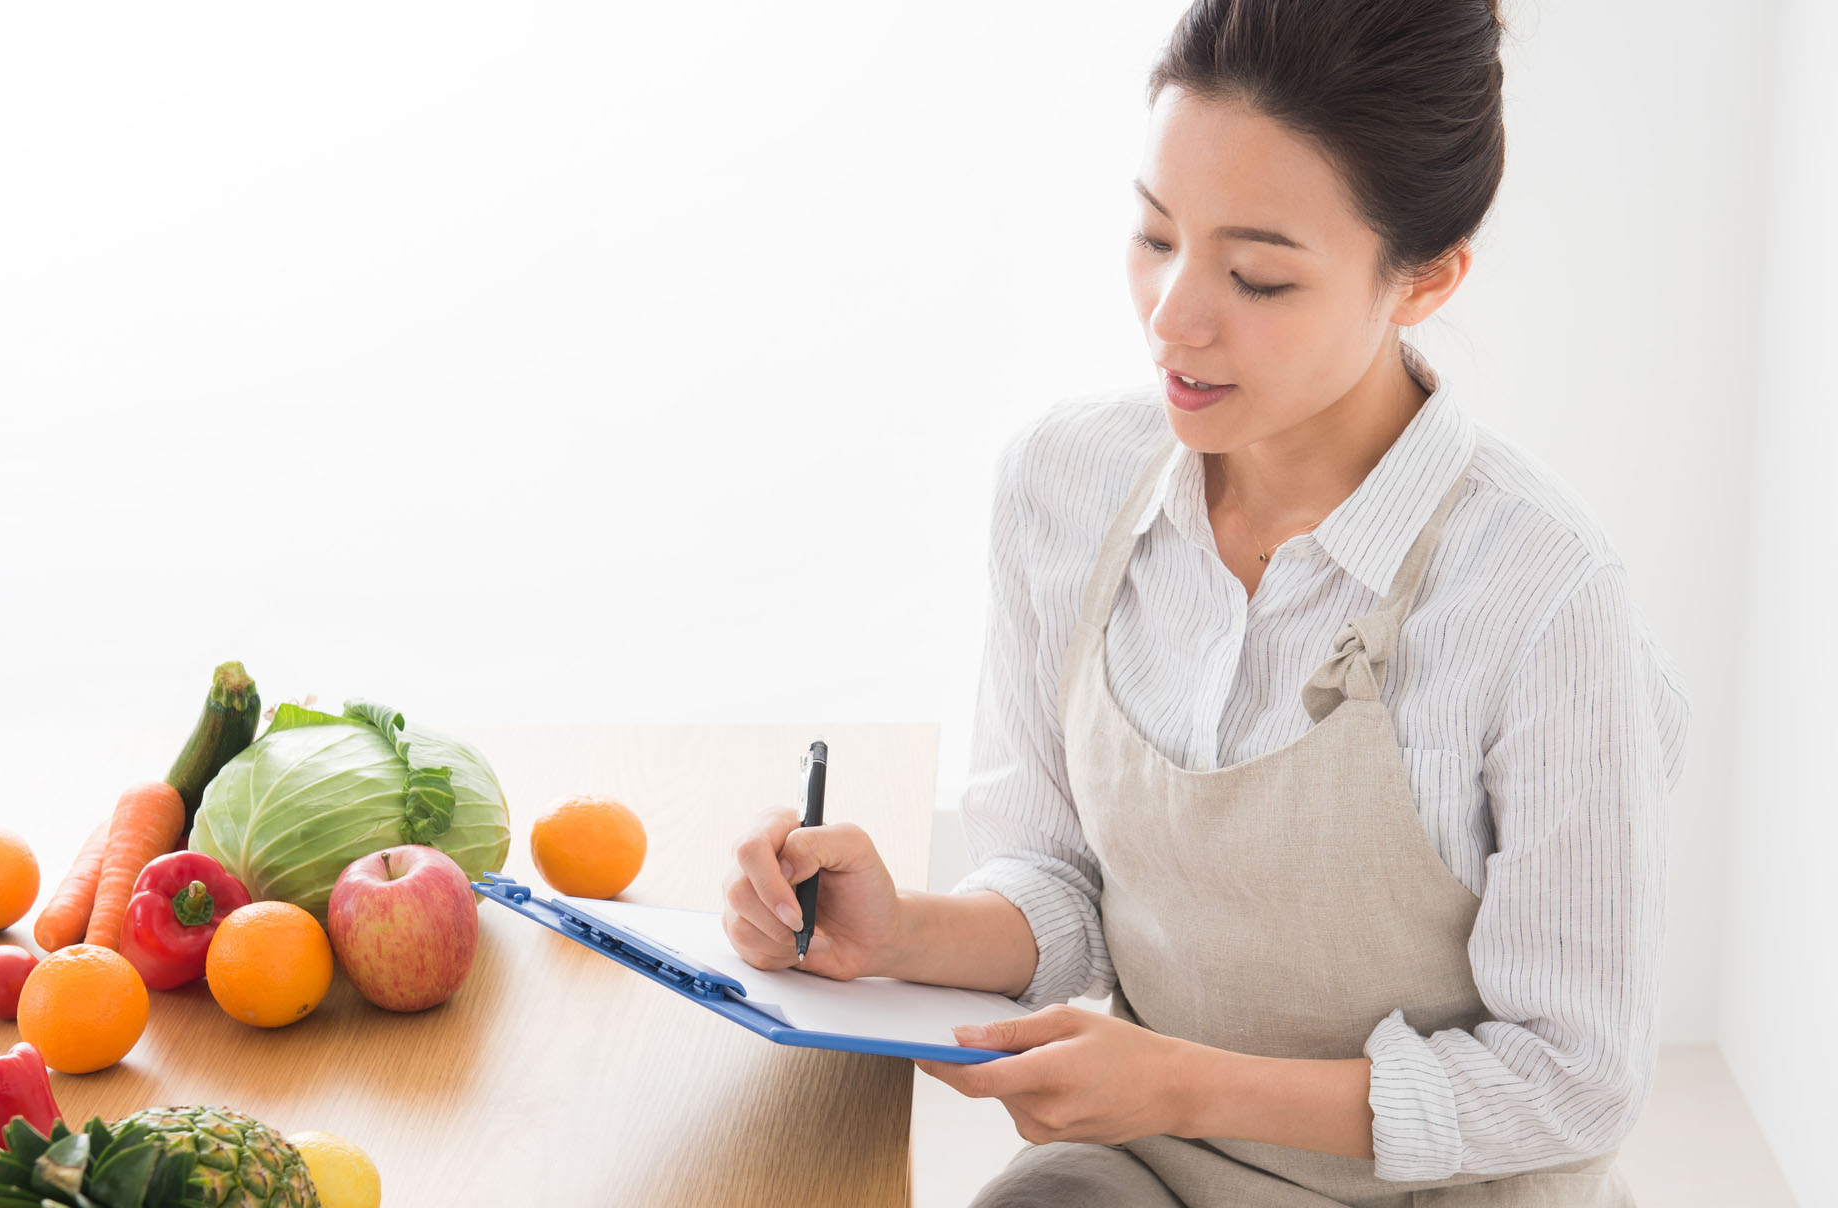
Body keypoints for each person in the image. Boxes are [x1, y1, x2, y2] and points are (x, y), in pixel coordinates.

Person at [719, 0, 1692, 1203]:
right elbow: (1062, 878)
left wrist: (1182, 1080)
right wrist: (899, 932)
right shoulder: (1061, 488)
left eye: (1257, 276)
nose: (1173, 315)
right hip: (1152, 1165)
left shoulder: (1539, 598)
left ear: (1425, 279)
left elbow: (1573, 1075)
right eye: (1151, 232)